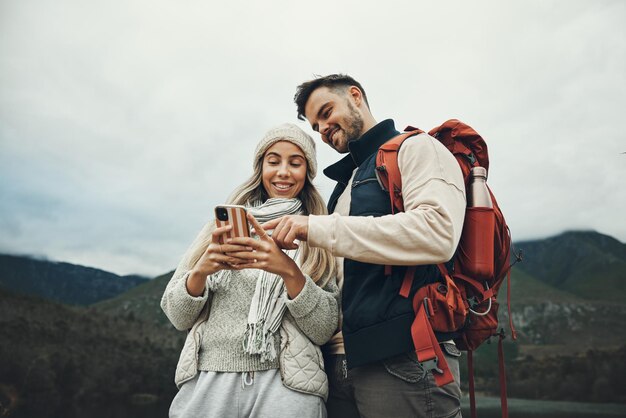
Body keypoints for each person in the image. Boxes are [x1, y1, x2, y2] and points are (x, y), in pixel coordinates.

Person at [263, 75, 467, 418]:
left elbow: (438, 232)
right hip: (339, 363)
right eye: (316, 126)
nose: (324, 128)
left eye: (327, 112)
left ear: (355, 96)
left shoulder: (416, 148)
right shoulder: (343, 186)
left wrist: (314, 226)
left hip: (406, 357)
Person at [161, 123, 339, 418]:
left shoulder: (316, 234)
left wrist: (288, 271)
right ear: (260, 168)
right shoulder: (218, 229)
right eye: (273, 161)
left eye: (295, 163)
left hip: (288, 385)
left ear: (306, 173)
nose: (283, 172)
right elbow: (177, 316)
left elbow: (324, 329)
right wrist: (202, 271)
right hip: (209, 381)